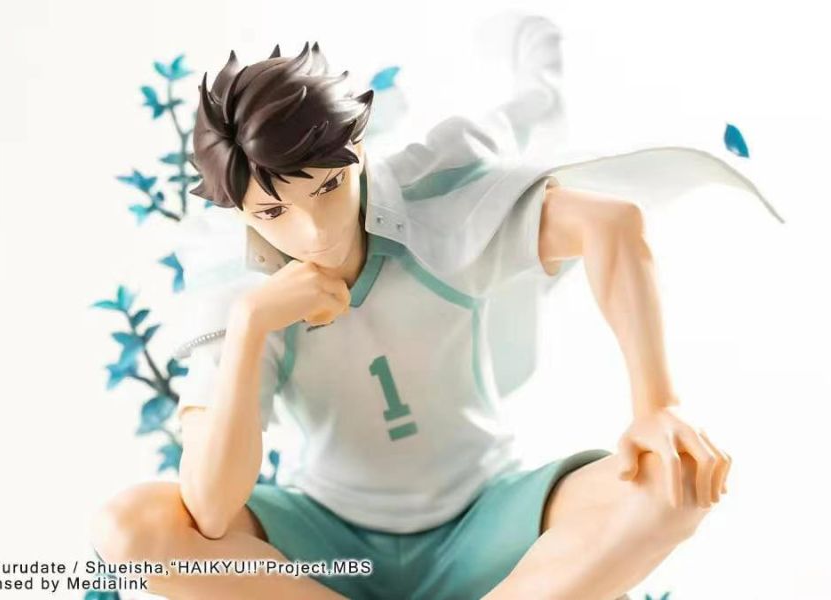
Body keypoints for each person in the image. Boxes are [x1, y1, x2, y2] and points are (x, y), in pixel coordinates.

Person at [92, 33, 778, 599]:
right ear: (239, 212)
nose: (313, 231)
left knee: (675, 481)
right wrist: (249, 329)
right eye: (272, 212)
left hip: (490, 523)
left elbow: (611, 223)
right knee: (132, 528)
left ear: (358, 152)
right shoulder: (236, 287)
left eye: (328, 187)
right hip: (326, 548)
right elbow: (210, 511)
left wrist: (655, 405)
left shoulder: (435, 210)